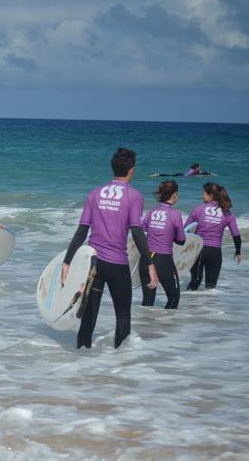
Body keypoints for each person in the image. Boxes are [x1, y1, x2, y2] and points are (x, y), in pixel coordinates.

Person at [61, 147, 158, 349]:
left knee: (88, 317)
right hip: (117, 265)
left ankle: (79, 365)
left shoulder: (94, 194)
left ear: (113, 169)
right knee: (123, 316)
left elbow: (81, 230)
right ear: (131, 170)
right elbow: (137, 232)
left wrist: (67, 261)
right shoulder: (135, 196)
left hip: (94, 264)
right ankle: (119, 368)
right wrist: (150, 263)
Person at [184, 182, 242, 290]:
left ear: (210, 195)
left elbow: (185, 230)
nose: (202, 196)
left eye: (204, 193)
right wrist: (238, 251)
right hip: (215, 253)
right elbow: (236, 234)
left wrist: (183, 249)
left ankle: (189, 305)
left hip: (198, 251)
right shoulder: (227, 213)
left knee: (195, 281)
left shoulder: (198, 209)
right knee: (211, 287)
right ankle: (210, 306)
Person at [139, 180, 185, 309]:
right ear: (174, 194)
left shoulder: (151, 211)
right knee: (173, 298)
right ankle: (166, 327)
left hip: (146, 260)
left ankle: (146, 328)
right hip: (163, 261)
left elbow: (142, 230)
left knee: (147, 303)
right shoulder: (176, 214)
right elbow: (181, 240)